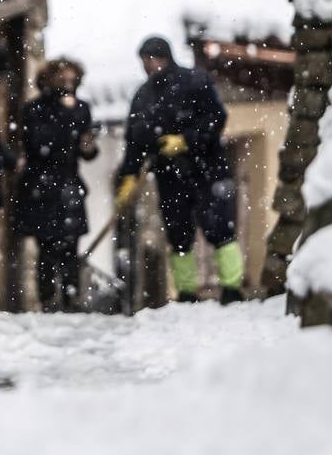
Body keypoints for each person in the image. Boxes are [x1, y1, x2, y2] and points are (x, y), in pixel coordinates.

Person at [115, 36, 243, 304]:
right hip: (169, 175)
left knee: (219, 227)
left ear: (166, 57)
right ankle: (186, 291)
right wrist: (130, 174)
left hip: (206, 169)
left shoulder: (195, 81)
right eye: (145, 60)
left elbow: (216, 118)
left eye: (154, 58)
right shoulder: (143, 96)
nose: (150, 65)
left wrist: (187, 140)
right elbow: (135, 140)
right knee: (178, 232)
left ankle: (231, 287)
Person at [13, 59, 97, 311]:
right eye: (64, 81)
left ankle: (72, 298)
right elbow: (40, 145)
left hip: (69, 183)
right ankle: (48, 299)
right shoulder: (34, 109)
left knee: (71, 245)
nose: (69, 86)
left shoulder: (81, 108)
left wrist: (89, 147)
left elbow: (84, 149)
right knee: (47, 246)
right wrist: (66, 115)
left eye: (73, 81)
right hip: (42, 186)